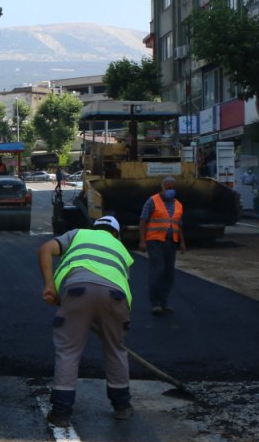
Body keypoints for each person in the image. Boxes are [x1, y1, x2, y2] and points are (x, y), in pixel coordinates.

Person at [38, 215, 135, 427]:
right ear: (116, 234)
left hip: (77, 291)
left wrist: (50, 286)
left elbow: (46, 248)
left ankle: (61, 412)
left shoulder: (79, 234)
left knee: (69, 350)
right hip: (116, 297)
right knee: (116, 349)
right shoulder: (121, 249)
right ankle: (122, 406)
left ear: (95, 227)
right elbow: (120, 284)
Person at [137, 176, 185, 316]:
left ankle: (164, 302)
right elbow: (143, 221)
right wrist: (142, 240)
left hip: (171, 242)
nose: (171, 190)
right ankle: (156, 304)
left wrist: (182, 242)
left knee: (169, 273)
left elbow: (178, 225)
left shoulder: (178, 205)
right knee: (157, 270)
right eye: (168, 188)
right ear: (162, 188)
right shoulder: (152, 201)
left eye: (172, 188)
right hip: (155, 242)